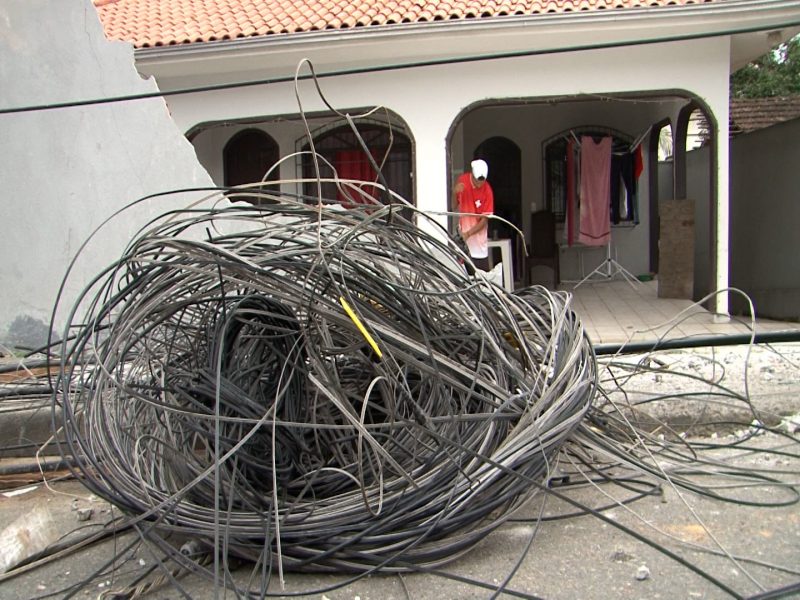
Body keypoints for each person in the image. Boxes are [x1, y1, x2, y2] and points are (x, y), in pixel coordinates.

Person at [452, 158, 494, 272]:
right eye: (477, 180)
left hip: (479, 246)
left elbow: (484, 220)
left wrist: (469, 234)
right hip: (463, 245)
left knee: (481, 279)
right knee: (463, 277)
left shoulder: (487, 190)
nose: (480, 184)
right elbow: (453, 206)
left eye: (482, 180)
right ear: (472, 174)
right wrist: (454, 192)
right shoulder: (463, 181)